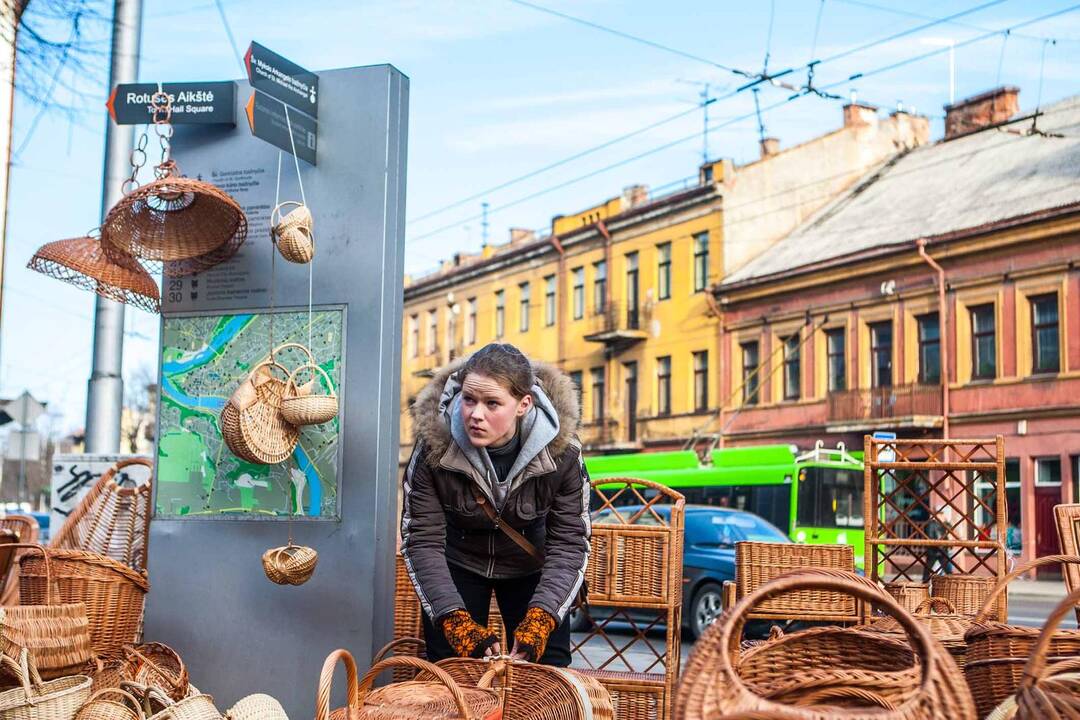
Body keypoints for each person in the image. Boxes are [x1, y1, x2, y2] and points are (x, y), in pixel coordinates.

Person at [400, 343, 590, 666]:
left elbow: (570, 543)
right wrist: (453, 619)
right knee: (450, 666)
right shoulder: (434, 448)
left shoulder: (563, 454)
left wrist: (542, 619)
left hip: (531, 564)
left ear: (523, 404)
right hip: (458, 561)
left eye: (492, 404)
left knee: (548, 668)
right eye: (469, 399)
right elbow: (422, 540)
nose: (476, 414)